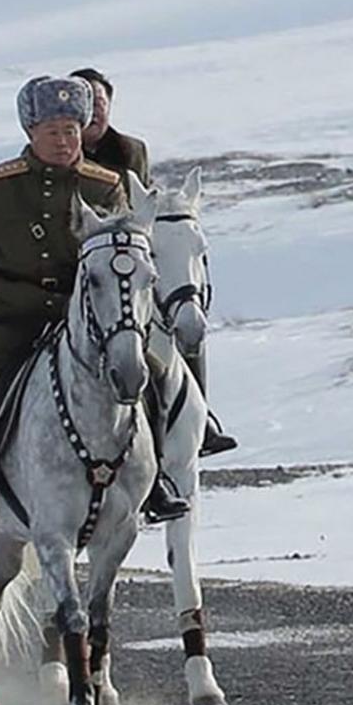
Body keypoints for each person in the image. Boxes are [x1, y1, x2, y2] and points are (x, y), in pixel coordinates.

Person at [0, 76, 176, 524]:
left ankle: (157, 480)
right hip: (13, 316)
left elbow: (127, 254)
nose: (64, 140)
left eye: (71, 130)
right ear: (30, 132)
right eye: (53, 131)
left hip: (88, 319)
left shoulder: (105, 186)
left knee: (155, 373)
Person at [73, 64, 237, 459]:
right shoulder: (57, 151)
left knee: (183, 322)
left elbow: (139, 210)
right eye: (88, 102)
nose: (96, 110)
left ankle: (199, 418)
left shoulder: (131, 151)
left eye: (102, 101)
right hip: (78, 267)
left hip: (125, 267)